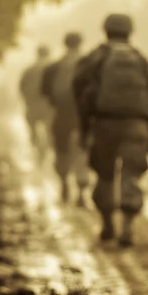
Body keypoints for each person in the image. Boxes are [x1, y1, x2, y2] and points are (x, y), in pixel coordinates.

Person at [73, 14, 148, 246]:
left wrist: (84, 128)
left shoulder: (95, 57)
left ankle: (108, 223)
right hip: (136, 124)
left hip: (104, 124)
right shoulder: (141, 59)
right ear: (130, 32)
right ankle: (128, 226)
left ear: (106, 31)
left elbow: (80, 92)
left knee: (105, 175)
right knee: (131, 176)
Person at [41, 33, 90, 206]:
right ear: (80, 43)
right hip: (82, 117)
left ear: (65, 44)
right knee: (82, 153)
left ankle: (63, 183)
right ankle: (82, 192)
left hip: (61, 115)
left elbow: (45, 93)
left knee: (62, 152)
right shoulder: (89, 65)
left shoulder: (54, 67)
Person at [19, 45, 53, 163]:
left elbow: (21, 87)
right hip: (49, 106)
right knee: (50, 129)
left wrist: (27, 101)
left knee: (32, 127)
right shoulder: (52, 68)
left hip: (33, 106)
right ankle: (49, 150)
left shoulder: (29, 70)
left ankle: (34, 146)